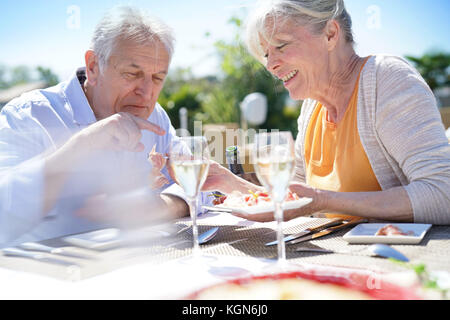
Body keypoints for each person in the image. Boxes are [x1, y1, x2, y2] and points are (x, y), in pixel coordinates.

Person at [205, 0, 450, 225]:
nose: (270, 65)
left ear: (330, 34)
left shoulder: (387, 79)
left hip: (398, 260)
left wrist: (325, 201)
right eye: (267, 54)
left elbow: (443, 193)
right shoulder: (312, 107)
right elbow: (295, 197)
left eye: (281, 45)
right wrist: (232, 184)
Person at [0, 6, 210, 247]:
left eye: (157, 78)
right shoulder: (29, 116)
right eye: (132, 74)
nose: (146, 93)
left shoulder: (154, 118)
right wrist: (81, 145)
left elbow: (199, 183)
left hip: (138, 267)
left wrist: (157, 207)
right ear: (93, 67)